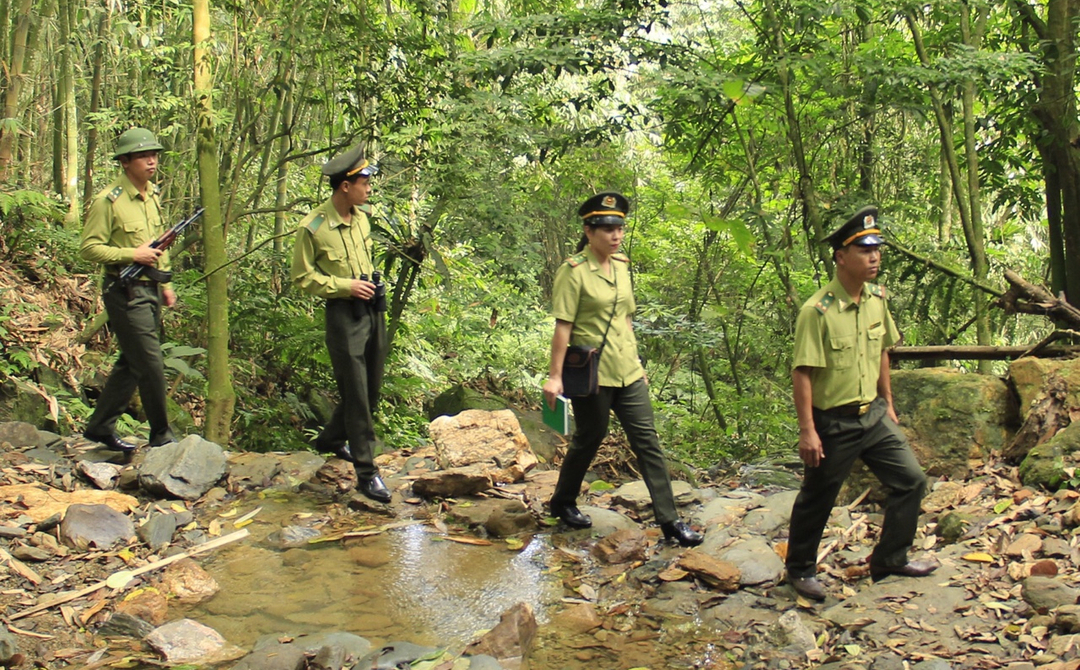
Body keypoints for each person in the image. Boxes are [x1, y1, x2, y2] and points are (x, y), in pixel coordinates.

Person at [785, 205, 935, 601]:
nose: (874, 257)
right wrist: (808, 431)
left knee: (911, 481)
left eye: (877, 249)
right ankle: (799, 570)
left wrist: (888, 400)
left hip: (873, 415)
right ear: (841, 256)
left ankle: (890, 558)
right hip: (833, 421)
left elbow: (883, 350)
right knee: (818, 497)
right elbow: (802, 372)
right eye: (865, 250)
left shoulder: (876, 300)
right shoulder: (816, 311)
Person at [541, 192, 703, 547]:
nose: (615, 235)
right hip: (592, 372)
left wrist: (638, 363)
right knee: (589, 438)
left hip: (628, 371)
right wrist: (554, 377)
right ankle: (563, 501)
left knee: (647, 442)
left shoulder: (624, 266)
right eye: (607, 229)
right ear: (588, 230)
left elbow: (626, 318)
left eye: (619, 228)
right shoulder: (573, 273)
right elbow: (563, 326)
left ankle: (670, 521)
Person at [290, 145, 391, 503]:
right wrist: (345, 286)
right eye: (364, 181)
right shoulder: (313, 227)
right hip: (343, 314)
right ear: (345, 185)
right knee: (358, 395)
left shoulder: (362, 218)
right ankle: (367, 472)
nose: (368, 187)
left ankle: (331, 439)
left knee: (369, 390)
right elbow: (302, 278)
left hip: (372, 310)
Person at [80, 127, 177, 453]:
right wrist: (130, 254)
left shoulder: (153, 196)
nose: (152, 161)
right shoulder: (109, 201)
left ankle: (100, 427)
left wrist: (167, 283)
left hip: (150, 289)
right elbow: (90, 248)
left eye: (154, 155)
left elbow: (161, 244)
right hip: (124, 291)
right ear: (125, 162)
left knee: (131, 361)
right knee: (150, 363)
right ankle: (162, 435)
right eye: (143, 156)